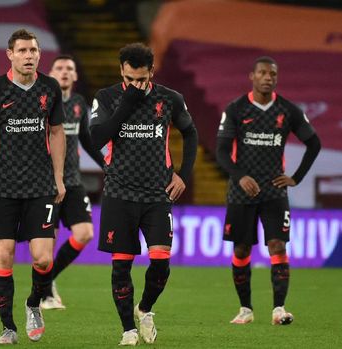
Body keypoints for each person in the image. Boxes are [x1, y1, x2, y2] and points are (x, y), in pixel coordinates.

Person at [89, 43, 198, 345]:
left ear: (152, 71)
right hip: (119, 194)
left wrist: (183, 175)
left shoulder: (170, 98)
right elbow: (97, 137)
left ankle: (145, 309)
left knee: (161, 263)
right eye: (129, 78)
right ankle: (128, 330)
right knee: (121, 265)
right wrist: (128, 101)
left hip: (156, 194)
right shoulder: (107, 97)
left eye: (140, 79)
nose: (135, 85)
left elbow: (191, 133)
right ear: (121, 71)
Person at [0, 28, 66, 344]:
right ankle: (8, 328)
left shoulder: (50, 88)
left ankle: (33, 304)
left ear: (39, 54)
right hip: (2, 188)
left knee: (42, 258)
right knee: (4, 255)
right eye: (22, 51)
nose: (29, 56)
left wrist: (59, 178)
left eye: (33, 51)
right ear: (10, 54)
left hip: (40, 186)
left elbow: (56, 133)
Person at [216, 56, 321, 326]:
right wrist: (239, 177)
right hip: (242, 193)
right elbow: (222, 151)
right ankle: (245, 309)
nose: (268, 77)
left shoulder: (288, 110)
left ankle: (278, 309)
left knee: (278, 245)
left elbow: (314, 143)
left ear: (276, 77)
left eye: (272, 74)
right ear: (252, 76)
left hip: (274, 191)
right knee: (241, 250)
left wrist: (296, 177)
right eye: (262, 73)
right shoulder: (236, 109)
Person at [40, 55, 105, 310]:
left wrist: (107, 165)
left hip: (73, 182)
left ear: (76, 76)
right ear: (51, 73)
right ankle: (44, 295)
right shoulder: (42, 102)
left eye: (69, 69)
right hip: (45, 185)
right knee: (47, 244)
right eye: (59, 68)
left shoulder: (78, 103)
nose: (65, 72)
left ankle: (49, 280)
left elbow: (86, 139)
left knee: (85, 232)